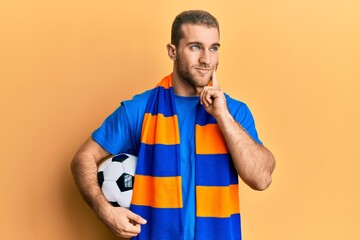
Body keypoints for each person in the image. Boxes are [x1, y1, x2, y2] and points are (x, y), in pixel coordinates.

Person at [71, 10, 275, 240]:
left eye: (214, 48)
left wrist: (223, 116)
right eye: (195, 47)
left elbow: (261, 179)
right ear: (173, 51)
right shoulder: (140, 109)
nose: (207, 59)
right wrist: (104, 210)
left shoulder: (234, 112)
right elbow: (83, 158)